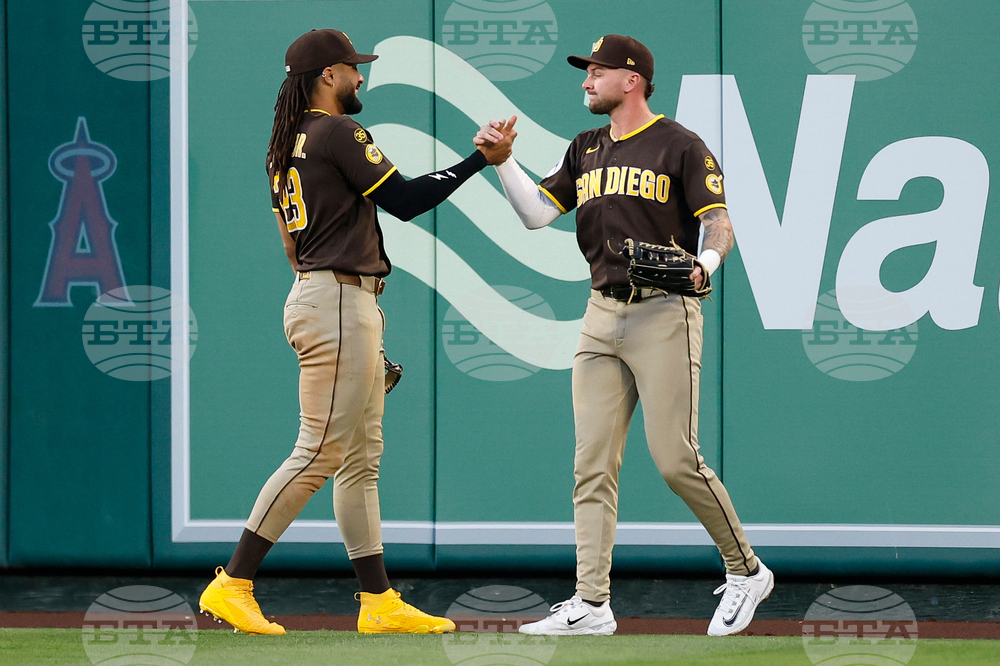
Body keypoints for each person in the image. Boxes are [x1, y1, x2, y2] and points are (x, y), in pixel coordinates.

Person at [199, 28, 514, 635]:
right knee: (319, 450)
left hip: (326, 294)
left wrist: (348, 282)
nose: (360, 76)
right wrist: (482, 159)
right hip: (339, 302)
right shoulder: (337, 131)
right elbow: (405, 199)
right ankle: (233, 582)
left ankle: (378, 601)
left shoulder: (286, 143)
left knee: (359, 460)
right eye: (352, 67)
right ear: (326, 75)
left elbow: (292, 247)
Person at [474, 34, 772, 637]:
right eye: (586, 72)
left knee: (675, 460)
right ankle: (591, 603)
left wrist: (704, 265)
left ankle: (746, 571)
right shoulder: (586, 147)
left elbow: (719, 222)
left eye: (597, 71)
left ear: (631, 79)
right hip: (599, 315)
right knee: (591, 465)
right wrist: (504, 161)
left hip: (664, 312)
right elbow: (536, 215)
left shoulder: (680, 144)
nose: (586, 80)